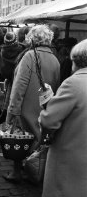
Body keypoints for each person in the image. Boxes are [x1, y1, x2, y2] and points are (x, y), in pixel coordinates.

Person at [30, 39, 87, 197]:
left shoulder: (74, 82)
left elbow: (50, 120)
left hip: (69, 155)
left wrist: (47, 104)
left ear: (76, 60)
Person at [4, 24, 60, 183]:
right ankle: (33, 170)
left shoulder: (29, 56)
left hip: (26, 105)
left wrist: (13, 109)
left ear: (32, 38)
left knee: (19, 139)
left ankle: (17, 173)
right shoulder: (55, 59)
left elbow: (19, 85)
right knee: (37, 138)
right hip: (44, 107)